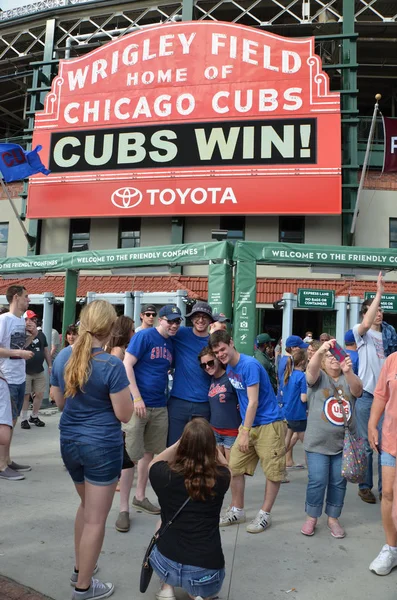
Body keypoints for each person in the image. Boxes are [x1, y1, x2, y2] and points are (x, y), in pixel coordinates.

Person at [50, 300, 133, 600]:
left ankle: (79, 568)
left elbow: (59, 402)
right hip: (101, 445)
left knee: (86, 508)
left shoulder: (62, 357)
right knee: (96, 518)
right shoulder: (110, 364)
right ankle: (83, 588)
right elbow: (124, 414)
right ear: (111, 328)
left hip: (69, 441)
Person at [209, 330, 285, 534]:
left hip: (268, 424)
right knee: (234, 466)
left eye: (223, 349)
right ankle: (238, 509)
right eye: (217, 352)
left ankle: (264, 514)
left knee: (272, 471)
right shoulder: (230, 368)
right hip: (249, 425)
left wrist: (243, 432)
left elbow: (253, 401)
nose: (220, 354)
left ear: (231, 343)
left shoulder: (249, 365)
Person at [148, 418, 230, 600]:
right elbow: (226, 466)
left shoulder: (165, 476)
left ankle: (167, 589)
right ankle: (198, 594)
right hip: (206, 570)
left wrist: (179, 443)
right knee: (200, 582)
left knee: (162, 521)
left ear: (182, 445)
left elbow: (153, 464)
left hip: (166, 563)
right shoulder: (222, 478)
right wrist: (210, 446)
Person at [121, 305, 182, 531]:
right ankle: (123, 508)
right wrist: (136, 398)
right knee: (129, 457)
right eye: (170, 321)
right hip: (138, 404)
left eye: (177, 322)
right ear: (160, 320)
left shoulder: (170, 344)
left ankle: (140, 496)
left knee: (149, 453)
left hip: (159, 405)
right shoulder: (144, 336)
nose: (174, 325)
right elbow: (126, 364)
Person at [301, 339, 362, 538]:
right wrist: (322, 350)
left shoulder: (347, 377)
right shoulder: (318, 378)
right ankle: (312, 517)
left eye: (336, 355)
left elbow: (358, 391)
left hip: (343, 445)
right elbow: (311, 370)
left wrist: (348, 371)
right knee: (317, 480)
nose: (333, 359)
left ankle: (333, 518)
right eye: (329, 357)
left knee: (338, 482)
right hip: (317, 443)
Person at [353, 272, 397, 504]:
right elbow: (368, 323)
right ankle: (364, 486)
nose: (378, 312)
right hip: (367, 397)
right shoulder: (361, 333)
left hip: (388, 398)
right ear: (365, 313)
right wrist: (379, 292)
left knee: (384, 445)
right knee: (366, 445)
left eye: (380, 309)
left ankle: (385, 488)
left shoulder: (390, 333)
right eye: (373, 309)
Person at [167, 301, 214, 445]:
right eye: (197, 316)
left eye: (204, 316)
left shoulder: (214, 341)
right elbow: (160, 333)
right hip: (178, 401)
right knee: (173, 447)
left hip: (204, 403)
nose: (200, 320)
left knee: (199, 448)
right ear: (191, 318)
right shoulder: (180, 333)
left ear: (210, 320)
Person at [0, 285, 34, 481]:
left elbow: (21, 347)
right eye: (26, 296)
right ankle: (2, 464)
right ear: (15, 297)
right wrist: (18, 353)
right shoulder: (3, 320)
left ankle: (7, 459)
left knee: (12, 422)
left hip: (19, 376)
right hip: (6, 378)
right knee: (6, 423)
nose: (28, 300)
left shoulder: (21, 321)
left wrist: (32, 336)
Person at [367, 353, 397, 575]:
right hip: (390, 439)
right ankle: (391, 548)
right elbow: (380, 395)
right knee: (387, 493)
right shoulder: (392, 360)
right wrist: (371, 424)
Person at [199, 346, 241, 461]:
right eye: (204, 365)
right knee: (218, 469)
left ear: (218, 359)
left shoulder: (231, 377)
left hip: (231, 432)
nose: (207, 367)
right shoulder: (211, 379)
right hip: (215, 431)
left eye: (210, 362)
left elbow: (247, 396)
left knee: (232, 470)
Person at [20, 312, 52, 429]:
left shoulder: (42, 335)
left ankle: (34, 415)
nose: (30, 322)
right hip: (25, 370)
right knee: (26, 395)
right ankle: (23, 418)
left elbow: (46, 351)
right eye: (27, 319)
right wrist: (32, 335)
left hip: (39, 370)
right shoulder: (21, 334)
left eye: (32, 319)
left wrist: (50, 365)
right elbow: (21, 347)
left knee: (39, 393)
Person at [283, 348, 307, 462]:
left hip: (287, 411)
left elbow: (284, 392)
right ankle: (311, 467)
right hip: (298, 413)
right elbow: (303, 398)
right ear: (303, 362)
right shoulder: (302, 376)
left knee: (287, 438)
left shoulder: (288, 374)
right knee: (307, 444)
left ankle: (280, 465)